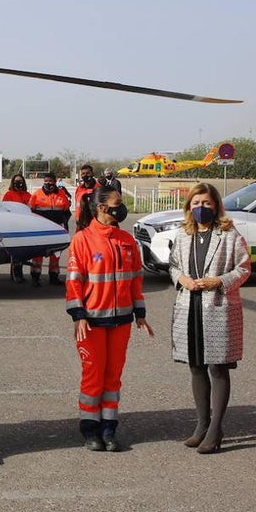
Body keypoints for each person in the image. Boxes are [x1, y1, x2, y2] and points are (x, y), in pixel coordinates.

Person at [65, 183, 154, 451]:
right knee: (93, 376)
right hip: (91, 323)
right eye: (117, 203)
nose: (121, 207)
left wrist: (140, 313)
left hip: (121, 322)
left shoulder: (126, 240)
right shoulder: (82, 239)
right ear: (102, 208)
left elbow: (135, 280)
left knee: (113, 377)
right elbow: (73, 282)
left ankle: (109, 428)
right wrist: (78, 315)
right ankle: (90, 429)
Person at [167, 183, 250, 454]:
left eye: (206, 203)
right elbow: (173, 265)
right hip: (189, 307)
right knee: (196, 366)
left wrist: (219, 281)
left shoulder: (229, 234)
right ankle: (201, 425)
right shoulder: (182, 234)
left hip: (218, 306)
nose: (200, 208)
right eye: (195, 204)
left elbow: (244, 268)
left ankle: (216, 428)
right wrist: (182, 279)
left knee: (217, 366)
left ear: (215, 205)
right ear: (188, 206)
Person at [28, 172, 72, 286]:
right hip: (40, 231)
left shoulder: (62, 194)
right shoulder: (37, 195)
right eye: (46, 181)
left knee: (55, 255)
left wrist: (64, 227)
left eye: (51, 181)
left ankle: (54, 277)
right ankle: (35, 277)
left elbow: (66, 212)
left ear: (55, 181)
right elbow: (29, 213)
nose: (48, 183)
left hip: (56, 231)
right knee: (37, 255)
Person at [1, 174, 31, 283]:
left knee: (23, 254)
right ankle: (15, 275)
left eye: (20, 181)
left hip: (25, 227)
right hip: (13, 228)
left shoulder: (28, 195)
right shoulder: (8, 195)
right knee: (15, 253)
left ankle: (19, 273)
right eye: (16, 181)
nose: (18, 183)